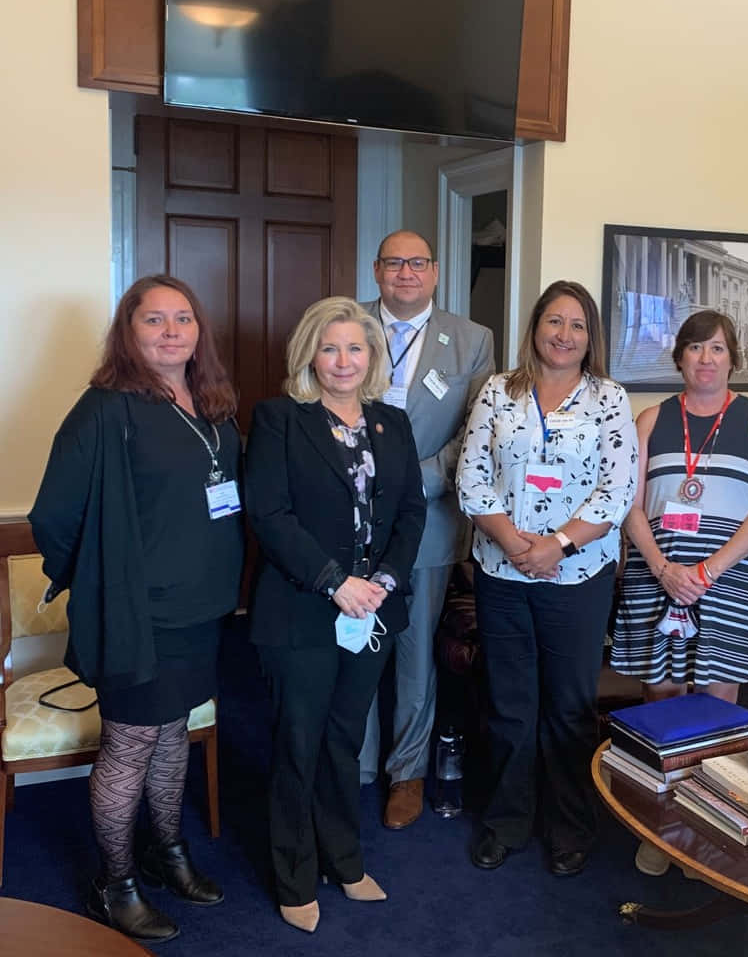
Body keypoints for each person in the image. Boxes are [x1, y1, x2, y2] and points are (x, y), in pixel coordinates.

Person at [30, 275, 244, 944]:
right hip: (136, 613)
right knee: (130, 742)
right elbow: (53, 517)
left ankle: (167, 850)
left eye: (183, 318)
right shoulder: (105, 409)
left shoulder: (211, 402)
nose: (171, 331)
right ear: (129, 331)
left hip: (201, 607)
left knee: (174, 731)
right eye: (154, 320)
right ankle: (113, 881)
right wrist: (96, 581)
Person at [245, 297, 426, 933]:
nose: (343, 361)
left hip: (374, 609)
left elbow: (410, 513)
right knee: (300, 742)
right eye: (330, 348)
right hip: (302, 611)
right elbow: (269, 515)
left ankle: (343, 860)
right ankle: (294, 875)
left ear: (372, 357)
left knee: (345, 741)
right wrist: (333, 582)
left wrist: (383, 579)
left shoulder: (391, 423)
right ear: (309, 357)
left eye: (355, 348)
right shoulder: (280, 420)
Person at [457, 280, 637, 877]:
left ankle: (570, 827)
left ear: (591, 339)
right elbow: (471, 476)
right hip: (501, 572)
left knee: (567, 707)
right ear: (535, 328)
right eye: (554, 321)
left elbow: (618, 489)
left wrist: (557, 544)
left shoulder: (608, 398)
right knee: (509, 705)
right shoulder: (497, 392)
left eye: (577, 325)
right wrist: (513, 543)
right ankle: (506, 821)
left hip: (578, 574)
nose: (564, 334)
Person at [610, 310, 748, 875]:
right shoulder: (649, 420)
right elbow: (629, 506)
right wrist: (664, 568)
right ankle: (659, 827)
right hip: (655, 575)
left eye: (716, 349)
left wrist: (707, 571)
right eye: (694, 348)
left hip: (727, 580)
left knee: (717, 710)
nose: (705, 359)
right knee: (658, 703)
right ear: (679, 356)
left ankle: (708, 829)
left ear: (733, 357)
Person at [358, 230, 494, 829]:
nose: (405, 273)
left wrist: (418, 483)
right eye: (394, 263)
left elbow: (476, 431)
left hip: (430, 519)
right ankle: (354, 765)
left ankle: (406, 772)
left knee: (414, 654)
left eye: (417, 263)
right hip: (350, 520)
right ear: (377, 270)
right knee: (352, 644)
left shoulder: (472, 341)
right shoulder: (343, 324)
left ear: (435, 273)